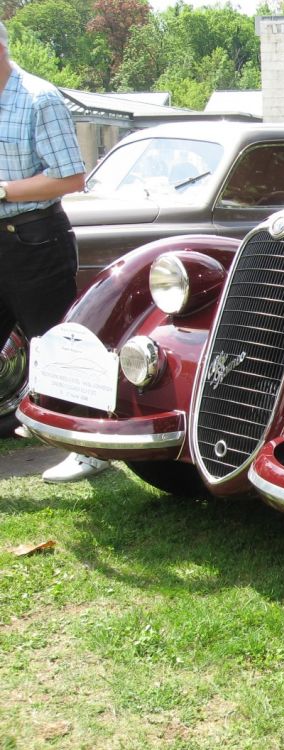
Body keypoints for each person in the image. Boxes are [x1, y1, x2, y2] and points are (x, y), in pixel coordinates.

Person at [0, 21, 109, 482]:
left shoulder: (38, 98)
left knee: (60, 345)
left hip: (35, 237)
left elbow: (70, 177)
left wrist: (4, 190)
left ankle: (90, 448)